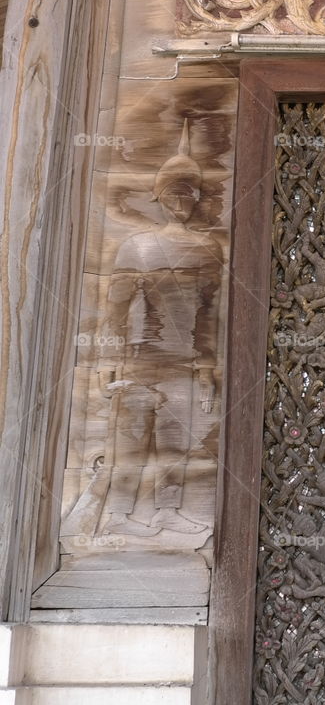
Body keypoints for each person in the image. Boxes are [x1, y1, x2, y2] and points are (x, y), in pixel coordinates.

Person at [97, 122, 222, 537]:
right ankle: (117, 516)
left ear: (198, 196)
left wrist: (205, 372)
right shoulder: (136, 245)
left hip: (182, 363)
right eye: (173, 192)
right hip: (140, 360)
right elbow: (115, 311)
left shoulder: (207, 248)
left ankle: (166, 510)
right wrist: (108, 361)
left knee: (176, 444)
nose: (181, 200)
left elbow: (208, 314)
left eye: (188, 192)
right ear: (158, 195)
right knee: (130, 444)